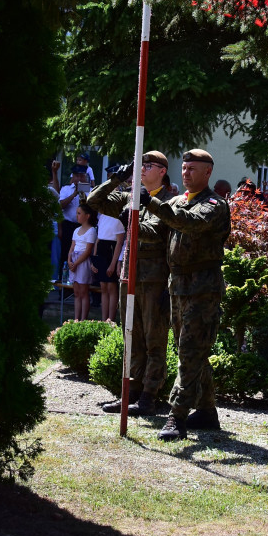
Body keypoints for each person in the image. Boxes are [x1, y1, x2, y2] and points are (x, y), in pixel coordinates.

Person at [138, 149, 231, 441]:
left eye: (193, 169)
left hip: (203, 288)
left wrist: (152, 204)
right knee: (191, 351)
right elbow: (156, 234)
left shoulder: (215, 204)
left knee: (190, 353)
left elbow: (188, 223)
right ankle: (206, 411)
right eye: (185, 167)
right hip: (177, 285)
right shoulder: (176, 201)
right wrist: (133, 216)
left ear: (207, 173)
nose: (186, 172)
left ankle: (176, 417)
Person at [87, 151, 173, 415]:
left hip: (154, 279)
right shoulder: (128, 196)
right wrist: (118, 178)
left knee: (153, 339)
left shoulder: (169, 201)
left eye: (148, 166)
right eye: (139, 166)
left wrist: (131, 220)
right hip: (129, 275)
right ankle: (130, 392)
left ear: (162, 171)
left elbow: (156, 235)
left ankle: (149, 396)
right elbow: (94, 200)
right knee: (131, 337)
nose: (142, 170)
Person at [92, 212, 125, 321]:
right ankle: (103, 320)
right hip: (101, 251)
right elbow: (98, 239)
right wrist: (94, 259)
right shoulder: (102, 216)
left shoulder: (118, 218)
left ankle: (111, 320)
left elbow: (120, 242)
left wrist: (113, 264)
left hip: (111, 252)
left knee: (111, 287)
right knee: (103, 287)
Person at [68, 202, 98, 320]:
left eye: (79, 213)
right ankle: (76, 319)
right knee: (76, 292)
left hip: (82, 262)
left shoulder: (91, 231)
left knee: (83, 292)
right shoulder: (76, 230)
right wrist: (69, 260)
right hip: (74, 261)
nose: (77, 216)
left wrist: (76, 263)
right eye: (77, 213)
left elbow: (87, 251)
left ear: (87, 216)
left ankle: (83, 320)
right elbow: (72, 247)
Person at [58, 164, 89, 280]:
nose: (80, 179)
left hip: (83, 226)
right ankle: (64, 282)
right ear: (73, 177)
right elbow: (61, 206)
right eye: (77, 176)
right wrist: (74, 194)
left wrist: (83, 195)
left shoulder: (89, 190)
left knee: (82, 253)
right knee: (66, 253)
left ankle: (80, 280)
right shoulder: (66, 189)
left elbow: (91, 209)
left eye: (82, 176)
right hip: (69, 226)